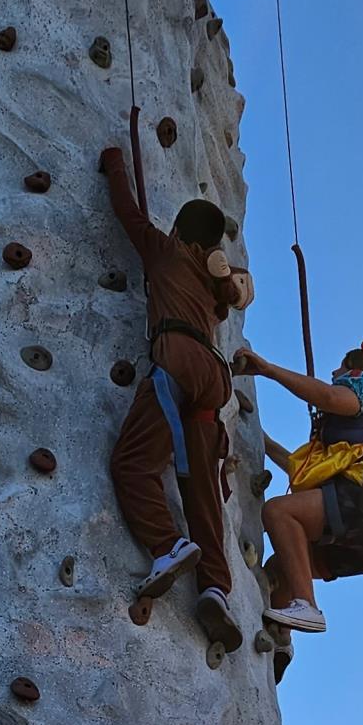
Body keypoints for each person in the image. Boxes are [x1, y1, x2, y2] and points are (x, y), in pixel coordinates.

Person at [100, 147, 253, 652]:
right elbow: (229, 301)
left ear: (181, 233)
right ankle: (215, 588)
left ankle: (167, 547)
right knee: (202, 488)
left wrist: (115, 165)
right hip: (214, 377)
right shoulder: (213, 290)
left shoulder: (165, 253)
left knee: (132, 462)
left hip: (179, 360)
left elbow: (128, 214)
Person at [239, 340, 363, 634]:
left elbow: (328, 396)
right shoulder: (361, 436)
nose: (334, 371)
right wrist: (258, 439)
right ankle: (280, 645)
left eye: (341, 365)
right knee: (283, 566)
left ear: (356, 367)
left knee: (279, 513)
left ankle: (307, 605)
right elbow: (301, 468)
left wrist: (268, 370)